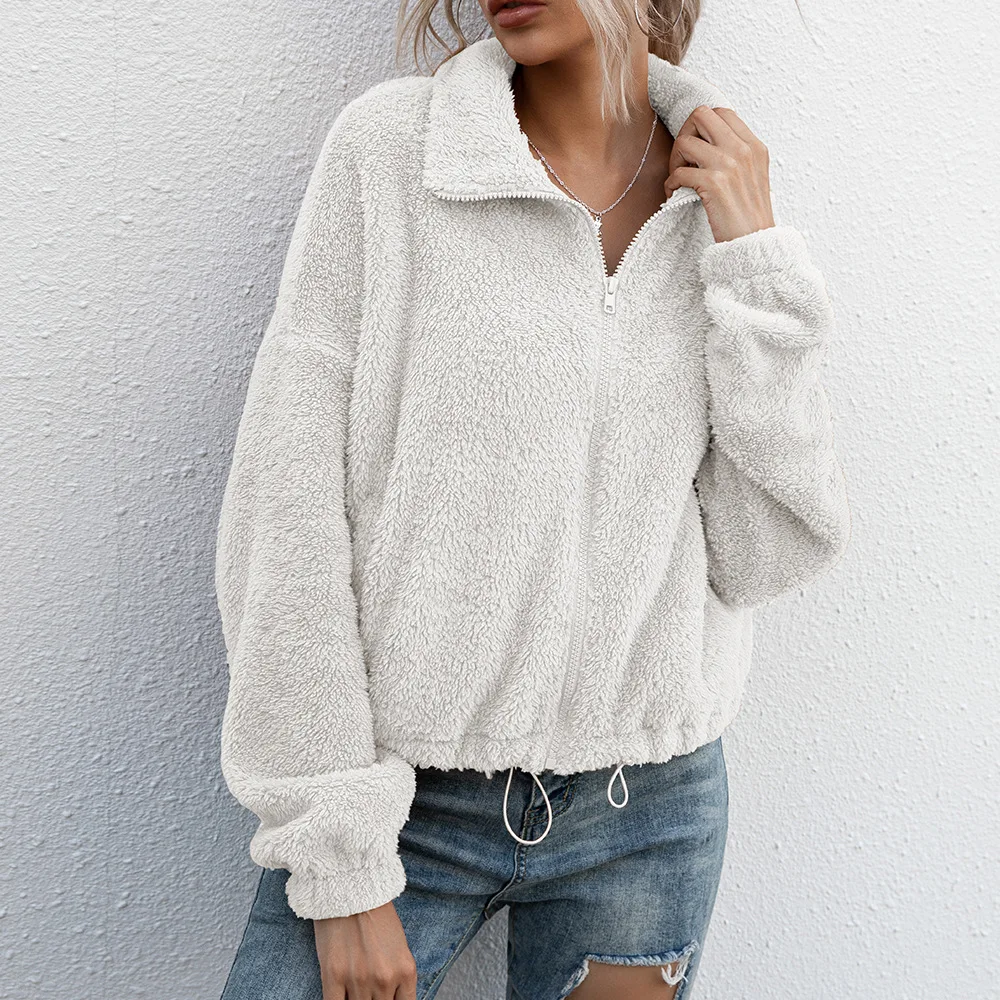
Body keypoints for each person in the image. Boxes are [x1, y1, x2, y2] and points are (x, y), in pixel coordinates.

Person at [213, 0, 852, 997]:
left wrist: (755, 261)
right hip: (402, 802)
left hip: (647, 811)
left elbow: (764, 552)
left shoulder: (716, 199)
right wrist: (338, 857)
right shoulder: (394, 154)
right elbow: (285, 514)